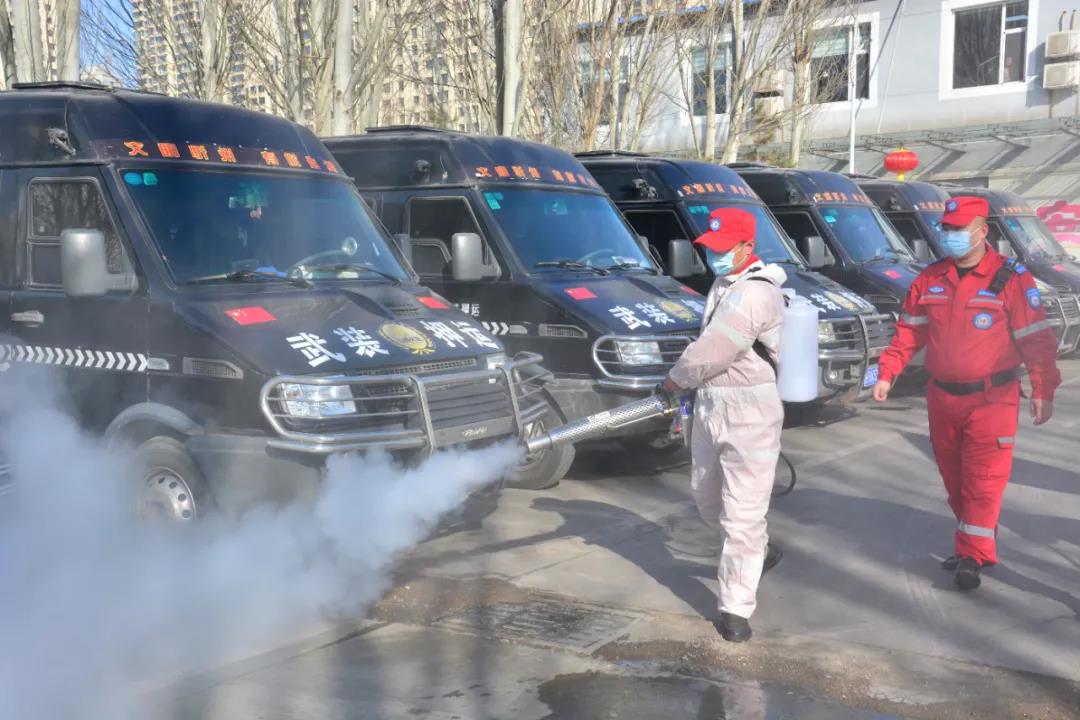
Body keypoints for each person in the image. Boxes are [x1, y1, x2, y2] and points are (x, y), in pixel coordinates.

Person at [873, 196, 1060, 591]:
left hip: (992, 399)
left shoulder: (1011, 279)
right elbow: (908, 333)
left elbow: (1036, 338)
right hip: (942, 399)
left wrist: (1043, 387)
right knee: (955, 479)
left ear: (982, 231)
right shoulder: (930, 279)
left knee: (983, 479)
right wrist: (887, 373)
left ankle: (972, 555)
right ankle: (974, 542)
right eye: (946, 228)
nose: (950, 235)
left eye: (959, 229)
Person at [661, 207, 785, 643]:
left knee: (742, 513)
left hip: (750, 409)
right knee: (707, 497)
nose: (713, 255)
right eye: (710, 247)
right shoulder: (724, 283)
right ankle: (758, 551)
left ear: (748, 246)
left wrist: (674, 380)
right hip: (712, 403)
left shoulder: (754, 292)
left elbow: (715, 349)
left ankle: (735, 608)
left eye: (722, 248)